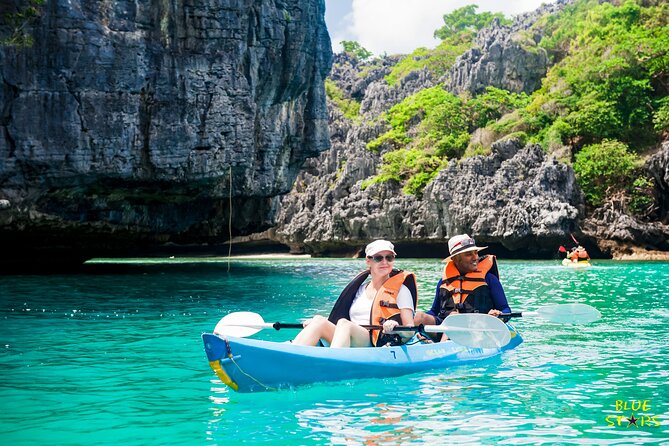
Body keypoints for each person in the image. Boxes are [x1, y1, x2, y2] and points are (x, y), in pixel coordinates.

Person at [292, 240, 418, 348]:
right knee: (318, 320)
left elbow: (410, 330)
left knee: (344, 324)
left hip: (376, 341)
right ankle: (293, 354)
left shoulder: (401, 291)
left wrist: (396, 327)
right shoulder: (360, 289)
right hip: (348, 337)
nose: (385, 262)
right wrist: (313, 325)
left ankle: (332, 362)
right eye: (379, 258)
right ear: (368, 261)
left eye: (389, 257)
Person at [414, 234, 511, 341]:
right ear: (456, 259)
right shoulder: (443, 282)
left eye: (476, 253)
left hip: (477, 329)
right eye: (469, 254)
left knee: (454, 317)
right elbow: (434, 311)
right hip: (445, 328)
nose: (475, 257)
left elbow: (506, 309)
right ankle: (415, 341)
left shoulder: (489, 279)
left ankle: (441, 347)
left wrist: (498, 315)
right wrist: (421, 327)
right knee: (418, 317)